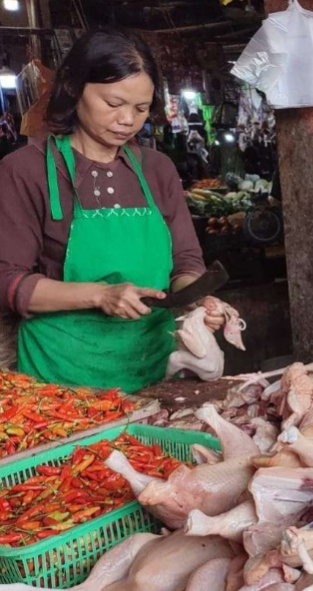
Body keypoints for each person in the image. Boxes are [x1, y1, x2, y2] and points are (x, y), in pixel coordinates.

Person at [0, 29, 225, 393]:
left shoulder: (157, 169)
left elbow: (185, 263)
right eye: (112, 103)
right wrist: (100, 295)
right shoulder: (26, 170)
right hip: (60, 378)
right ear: (74, 89)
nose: (127, 120)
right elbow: (7, 281)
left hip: (155, 367)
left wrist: (200, 298)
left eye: (140, 109)